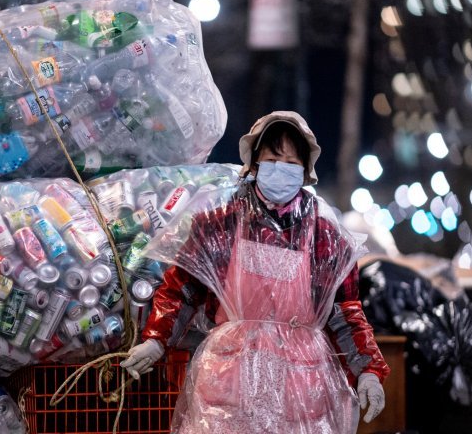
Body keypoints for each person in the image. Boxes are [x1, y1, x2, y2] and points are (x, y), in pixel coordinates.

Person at [121, 111, 389, 433]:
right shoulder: (220, 223)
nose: (283, 168)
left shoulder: (324, 236)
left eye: (292, 162)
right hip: (228, 386)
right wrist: (156, 340)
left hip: (301, 391)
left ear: (305, 171)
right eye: (274, 158)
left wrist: (368, 370)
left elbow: (344, 311)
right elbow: (182, 289)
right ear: (254, 163)